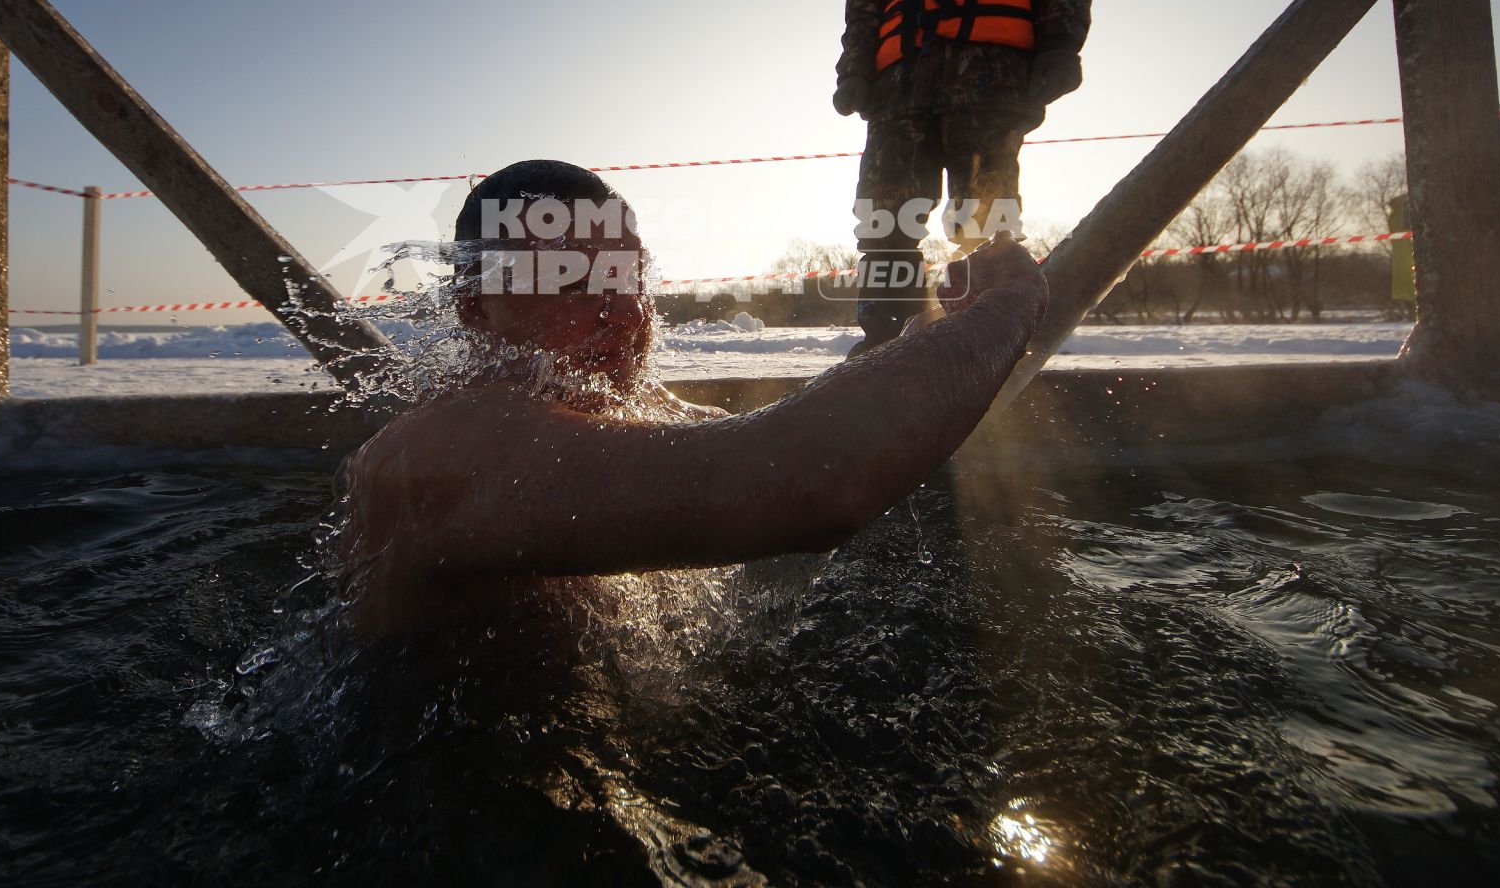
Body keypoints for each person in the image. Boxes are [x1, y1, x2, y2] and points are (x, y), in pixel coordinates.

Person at [337, 159, 1048, 640]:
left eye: (628, 278)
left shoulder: (621, 421)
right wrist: (1007, 309)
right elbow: (805, 482)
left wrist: (941, 335)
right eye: (571, 282)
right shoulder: (439, 453)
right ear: (475, 307)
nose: (624, 314)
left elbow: (792, 433)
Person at [833, 0, 1090, 355]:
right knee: (885, 217)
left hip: (991, 82)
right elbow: (864, 8)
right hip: (899, 94)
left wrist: (1058, 49)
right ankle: (885, 335)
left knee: (985, 216)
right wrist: (855, 73)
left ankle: (989, 334)